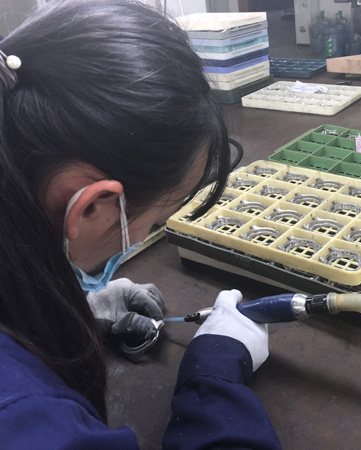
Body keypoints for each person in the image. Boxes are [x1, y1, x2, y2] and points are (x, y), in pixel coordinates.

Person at [0, 0, 281, 448]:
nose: (149, 234)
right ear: (90, 208)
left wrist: (67, 304)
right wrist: (214, 375)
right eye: (156, 222)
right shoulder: (25, 420)